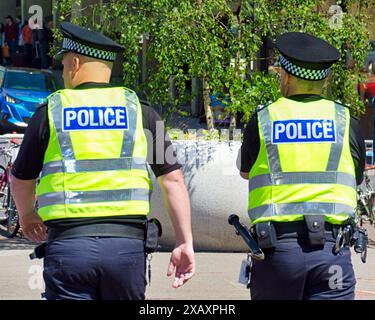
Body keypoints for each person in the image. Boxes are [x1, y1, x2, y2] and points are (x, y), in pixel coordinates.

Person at [11, 21, 195, 300]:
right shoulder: (141, 112)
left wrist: (26, 215)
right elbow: (173, 180)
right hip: (126, 250)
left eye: (63, 66)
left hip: (69, 250)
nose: (62, 73)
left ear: (73, 64)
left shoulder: (50, 111)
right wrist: (184, 242)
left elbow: (21, 177)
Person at [238, 32, 366, 300]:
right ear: (325, 77)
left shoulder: (263, 119)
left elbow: (245, 171)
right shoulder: (346, 120)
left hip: (278, 254)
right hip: (332, 254)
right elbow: (354, 176)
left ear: (285, 75)